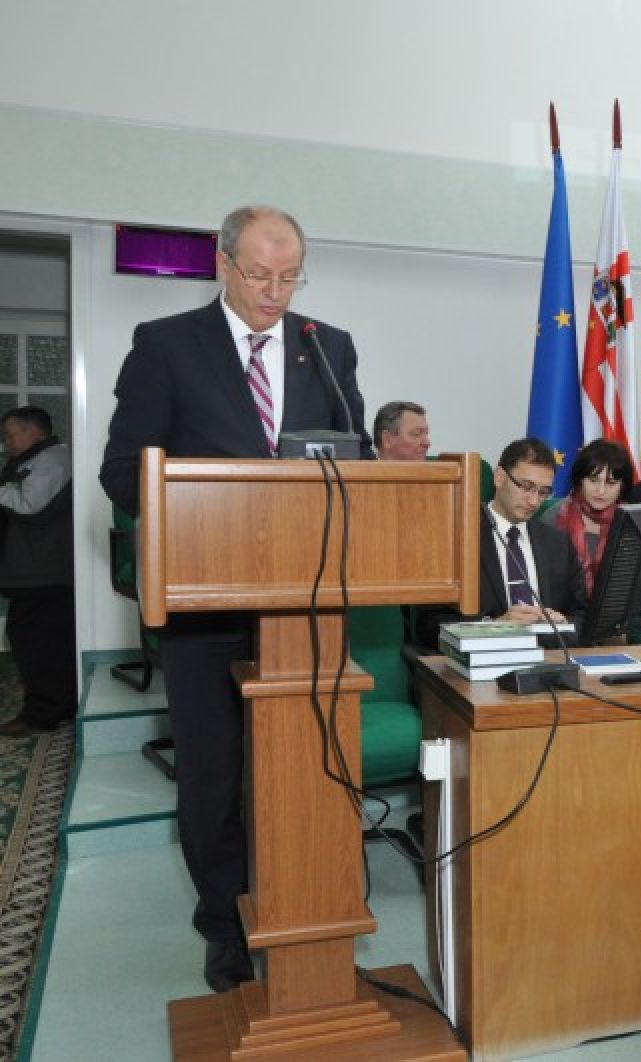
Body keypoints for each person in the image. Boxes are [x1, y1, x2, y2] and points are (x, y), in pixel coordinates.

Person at [98, 205, 372, 994]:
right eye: (258, 274)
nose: (274, 292)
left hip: (305, 607)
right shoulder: (166, 344)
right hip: (206, 604)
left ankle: (307, 906)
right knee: (215, 778)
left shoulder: (328, 347)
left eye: (289, 276)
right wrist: (215, 510)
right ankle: (223, 922)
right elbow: (123, 473)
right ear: (222, 265)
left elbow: (354, 463)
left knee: (307, 769)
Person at [413, 437, 587, 649]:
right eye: (526, 487)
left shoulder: (557, 543)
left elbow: (583, 619)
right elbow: (429, 626)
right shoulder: (453, 538)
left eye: (543, 492)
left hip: (548, 658)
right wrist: (495, 627)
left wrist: (561, 623)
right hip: (480, 661)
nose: (534, 501)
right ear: (499, 477)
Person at [0, 406, 76, 736]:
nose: (7, 442)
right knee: (45, 640)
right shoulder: (38, 459)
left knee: (32, 639)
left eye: (11, 434)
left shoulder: (53, 460)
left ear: (33, 431)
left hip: (45, 572)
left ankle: (42, 713)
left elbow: (30, 505)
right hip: (37, 570)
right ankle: (58, 706)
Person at [543, 438, 634, 595]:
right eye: (593, 480)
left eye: (611, 483)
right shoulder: (553, 518)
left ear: (622, 486)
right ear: (580, 480)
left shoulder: (633, 522)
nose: (601, 491)